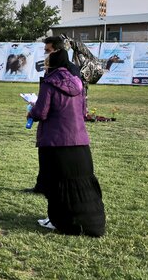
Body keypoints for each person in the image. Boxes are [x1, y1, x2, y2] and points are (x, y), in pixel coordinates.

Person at [27, 45, 105, 237]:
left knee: (56, 182)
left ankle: (58, 220)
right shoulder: (78, 83)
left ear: (50, 65)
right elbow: (82, 112)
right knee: (81, 183)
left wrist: (32, 108)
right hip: (79, 140)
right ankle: (88, 222)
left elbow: (41, 112)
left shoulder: (49, 83)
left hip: (56, 141)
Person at [25, 36, 82, 194]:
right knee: (44, 156)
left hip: (60, 125)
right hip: (54, 122)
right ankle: (41, 185)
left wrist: (37, 110)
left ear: (58, 51)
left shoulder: (69, 71)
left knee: (53, 160)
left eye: (48, 51)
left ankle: (49, 188)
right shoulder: (53, 70)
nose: (45, 54)